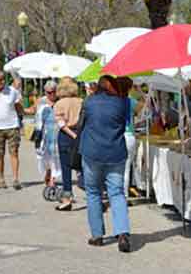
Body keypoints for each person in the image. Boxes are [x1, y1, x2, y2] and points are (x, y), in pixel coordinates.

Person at [79, 75, 133, 252]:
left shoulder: (88, 102)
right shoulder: (122, 103)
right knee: (117, 193)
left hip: (91, 152)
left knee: (93, 192)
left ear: (98, 87)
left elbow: (82, 124)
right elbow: (126, 122)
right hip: (116, 152)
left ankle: (97, 235)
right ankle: (123, 233)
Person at [53, 77, 83, 211]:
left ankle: (67, 198)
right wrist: (78, 135)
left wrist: (71, 134)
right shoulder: (81, 101)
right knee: (83, 166)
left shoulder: (59, 103)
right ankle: (95, 195)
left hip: (65, 136)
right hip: (80, 134)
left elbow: (61, 124)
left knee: (66, 169)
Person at [34, 80, 61, 191]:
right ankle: (48, 171)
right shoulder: (41, 102)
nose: (51, 94)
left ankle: (52, 181)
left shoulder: (60, 102)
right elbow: (36, 118)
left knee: (56, 159)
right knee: (44, 159)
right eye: (48, 92)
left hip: (57, 134)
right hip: (44, 135)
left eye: (53, 91)